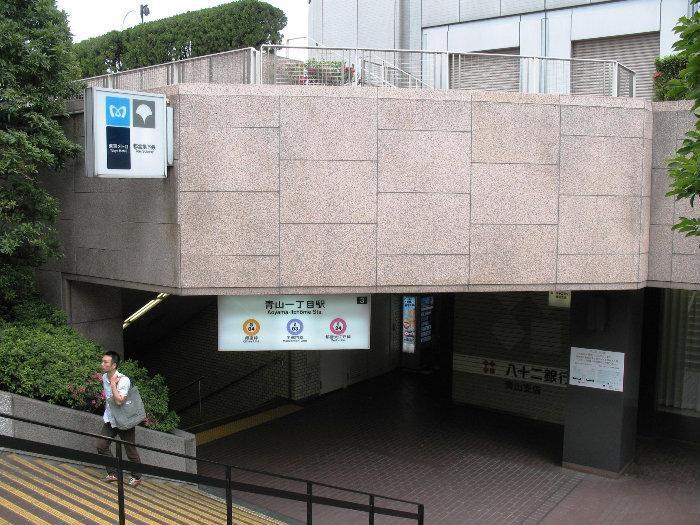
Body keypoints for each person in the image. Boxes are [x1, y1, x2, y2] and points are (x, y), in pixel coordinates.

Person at [95, 351, 142, 486]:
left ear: (114, 365)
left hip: (125, 420)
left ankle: (137, 476)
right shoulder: (105, 377)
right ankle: (113, 473)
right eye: (102, 361)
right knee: (101, 445)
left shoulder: (124, 380)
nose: (102, 364)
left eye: (105, 362)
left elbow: (120, 401)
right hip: (111, 419)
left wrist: (113, 384)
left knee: (130, 450)